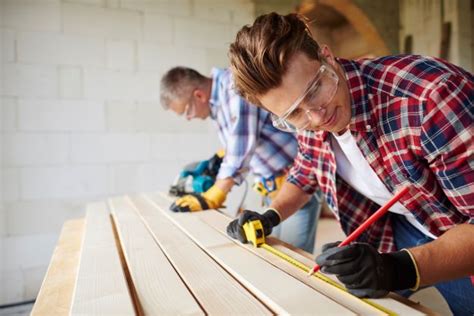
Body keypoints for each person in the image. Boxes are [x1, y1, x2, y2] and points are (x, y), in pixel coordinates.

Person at [226, 12, 474, 315]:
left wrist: (398, 269)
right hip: (402, 225)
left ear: (327, 57)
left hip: (460, 233)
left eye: (315, 89)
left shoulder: (430, 97)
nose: (317, 117)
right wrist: (270, 216)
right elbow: (305, 175)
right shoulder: (311, 119)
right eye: (294, 113)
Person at [159, 66, 322, 253]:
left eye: (186, 112)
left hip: (298, 186)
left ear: (199, 96)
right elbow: (235, 145)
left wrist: (214, 195)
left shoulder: (234, 87)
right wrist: (220, 158)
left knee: (295, 258)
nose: (189, 118)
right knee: (275, 254)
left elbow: (240, 148)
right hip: (270, 190)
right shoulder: (217, 104)